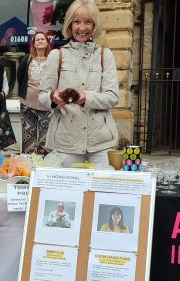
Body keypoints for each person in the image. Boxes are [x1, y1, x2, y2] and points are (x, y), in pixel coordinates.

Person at [38, 0, 120, 168]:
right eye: (77, 22)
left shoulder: (105, 55)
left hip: (100, 142)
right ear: (70, 24)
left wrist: (86, 98)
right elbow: (42, 96)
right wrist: (53, 98)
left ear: (94, 25)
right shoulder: (57, 55)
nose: (82, 28)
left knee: (102, 189)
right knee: (67, 191)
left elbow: (112, 97)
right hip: (67, 140)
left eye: (88, 22)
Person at [17, 32, 53, 154]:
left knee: (45, 137)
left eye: (43, 39)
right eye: (37, 40)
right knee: (28, 136)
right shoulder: (27, 59)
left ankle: (44, 164)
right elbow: (20, 77)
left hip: (47, 104)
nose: (40, 41)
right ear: (34, 44)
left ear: (47, 42)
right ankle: (28, 164)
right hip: (27, 104)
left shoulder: (53, 60)